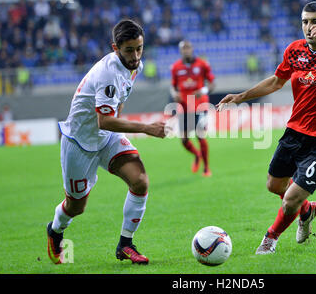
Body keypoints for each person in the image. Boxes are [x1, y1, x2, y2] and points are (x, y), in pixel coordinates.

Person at [217, 1, 316, 254]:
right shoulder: (294, 50)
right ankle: (306, 211)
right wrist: (240, 97)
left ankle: (269, 239)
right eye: (305, 21)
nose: (309, 27)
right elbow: (275, 82)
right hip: (295, 133)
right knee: (274, 186)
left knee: (291, 197)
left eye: (315, 21)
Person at [46, 19, 167, 265]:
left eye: (139, 48)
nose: (135, 55)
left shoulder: (135, 66)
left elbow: (119, 103)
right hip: (79, 143)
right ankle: (55, 229)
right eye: (129, 50)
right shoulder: (108, 74)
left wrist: (120, 124)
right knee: (76, 207)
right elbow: (104, 121)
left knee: (140, 181)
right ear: (115, 48)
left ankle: (125, 245)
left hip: (107, 139)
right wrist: (146, 128)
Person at [170, 40, 215, 177]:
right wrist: (174, 94)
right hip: (184, 106)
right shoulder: (176, 67)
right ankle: (197, 155)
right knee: (184, 139)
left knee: (200, 136)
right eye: (184, 48)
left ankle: (206, 168)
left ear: (192, 49)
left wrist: (204, 90)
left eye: (188, 48)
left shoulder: (202, 64)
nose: (186, 50)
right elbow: (173, 86)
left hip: (200, 105)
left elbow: (212, 83)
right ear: (180, 51)